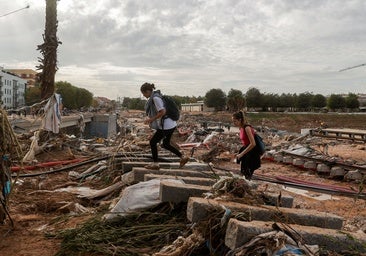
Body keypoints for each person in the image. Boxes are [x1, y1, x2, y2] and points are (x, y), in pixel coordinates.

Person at [140, 82, 189, 170]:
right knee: (165, 144)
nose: (143, 95)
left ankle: (155, 164)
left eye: (143, 93)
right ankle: (183, 157)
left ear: (147, 91)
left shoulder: (155, 98)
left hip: (166, 125)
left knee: (153, 142)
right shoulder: (158, 96)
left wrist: (151, 119)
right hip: (171, 124)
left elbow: (163, 112)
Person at [232, 110, 261, 180]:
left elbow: (253, 143)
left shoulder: (247, 128)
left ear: (240, 120)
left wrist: (241, 154)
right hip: (246, 152)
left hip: (252, 154)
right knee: (244, 173)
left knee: (247, 174)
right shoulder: (241, 128)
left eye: (235, 121)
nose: (233, 123)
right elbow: (245, 141)